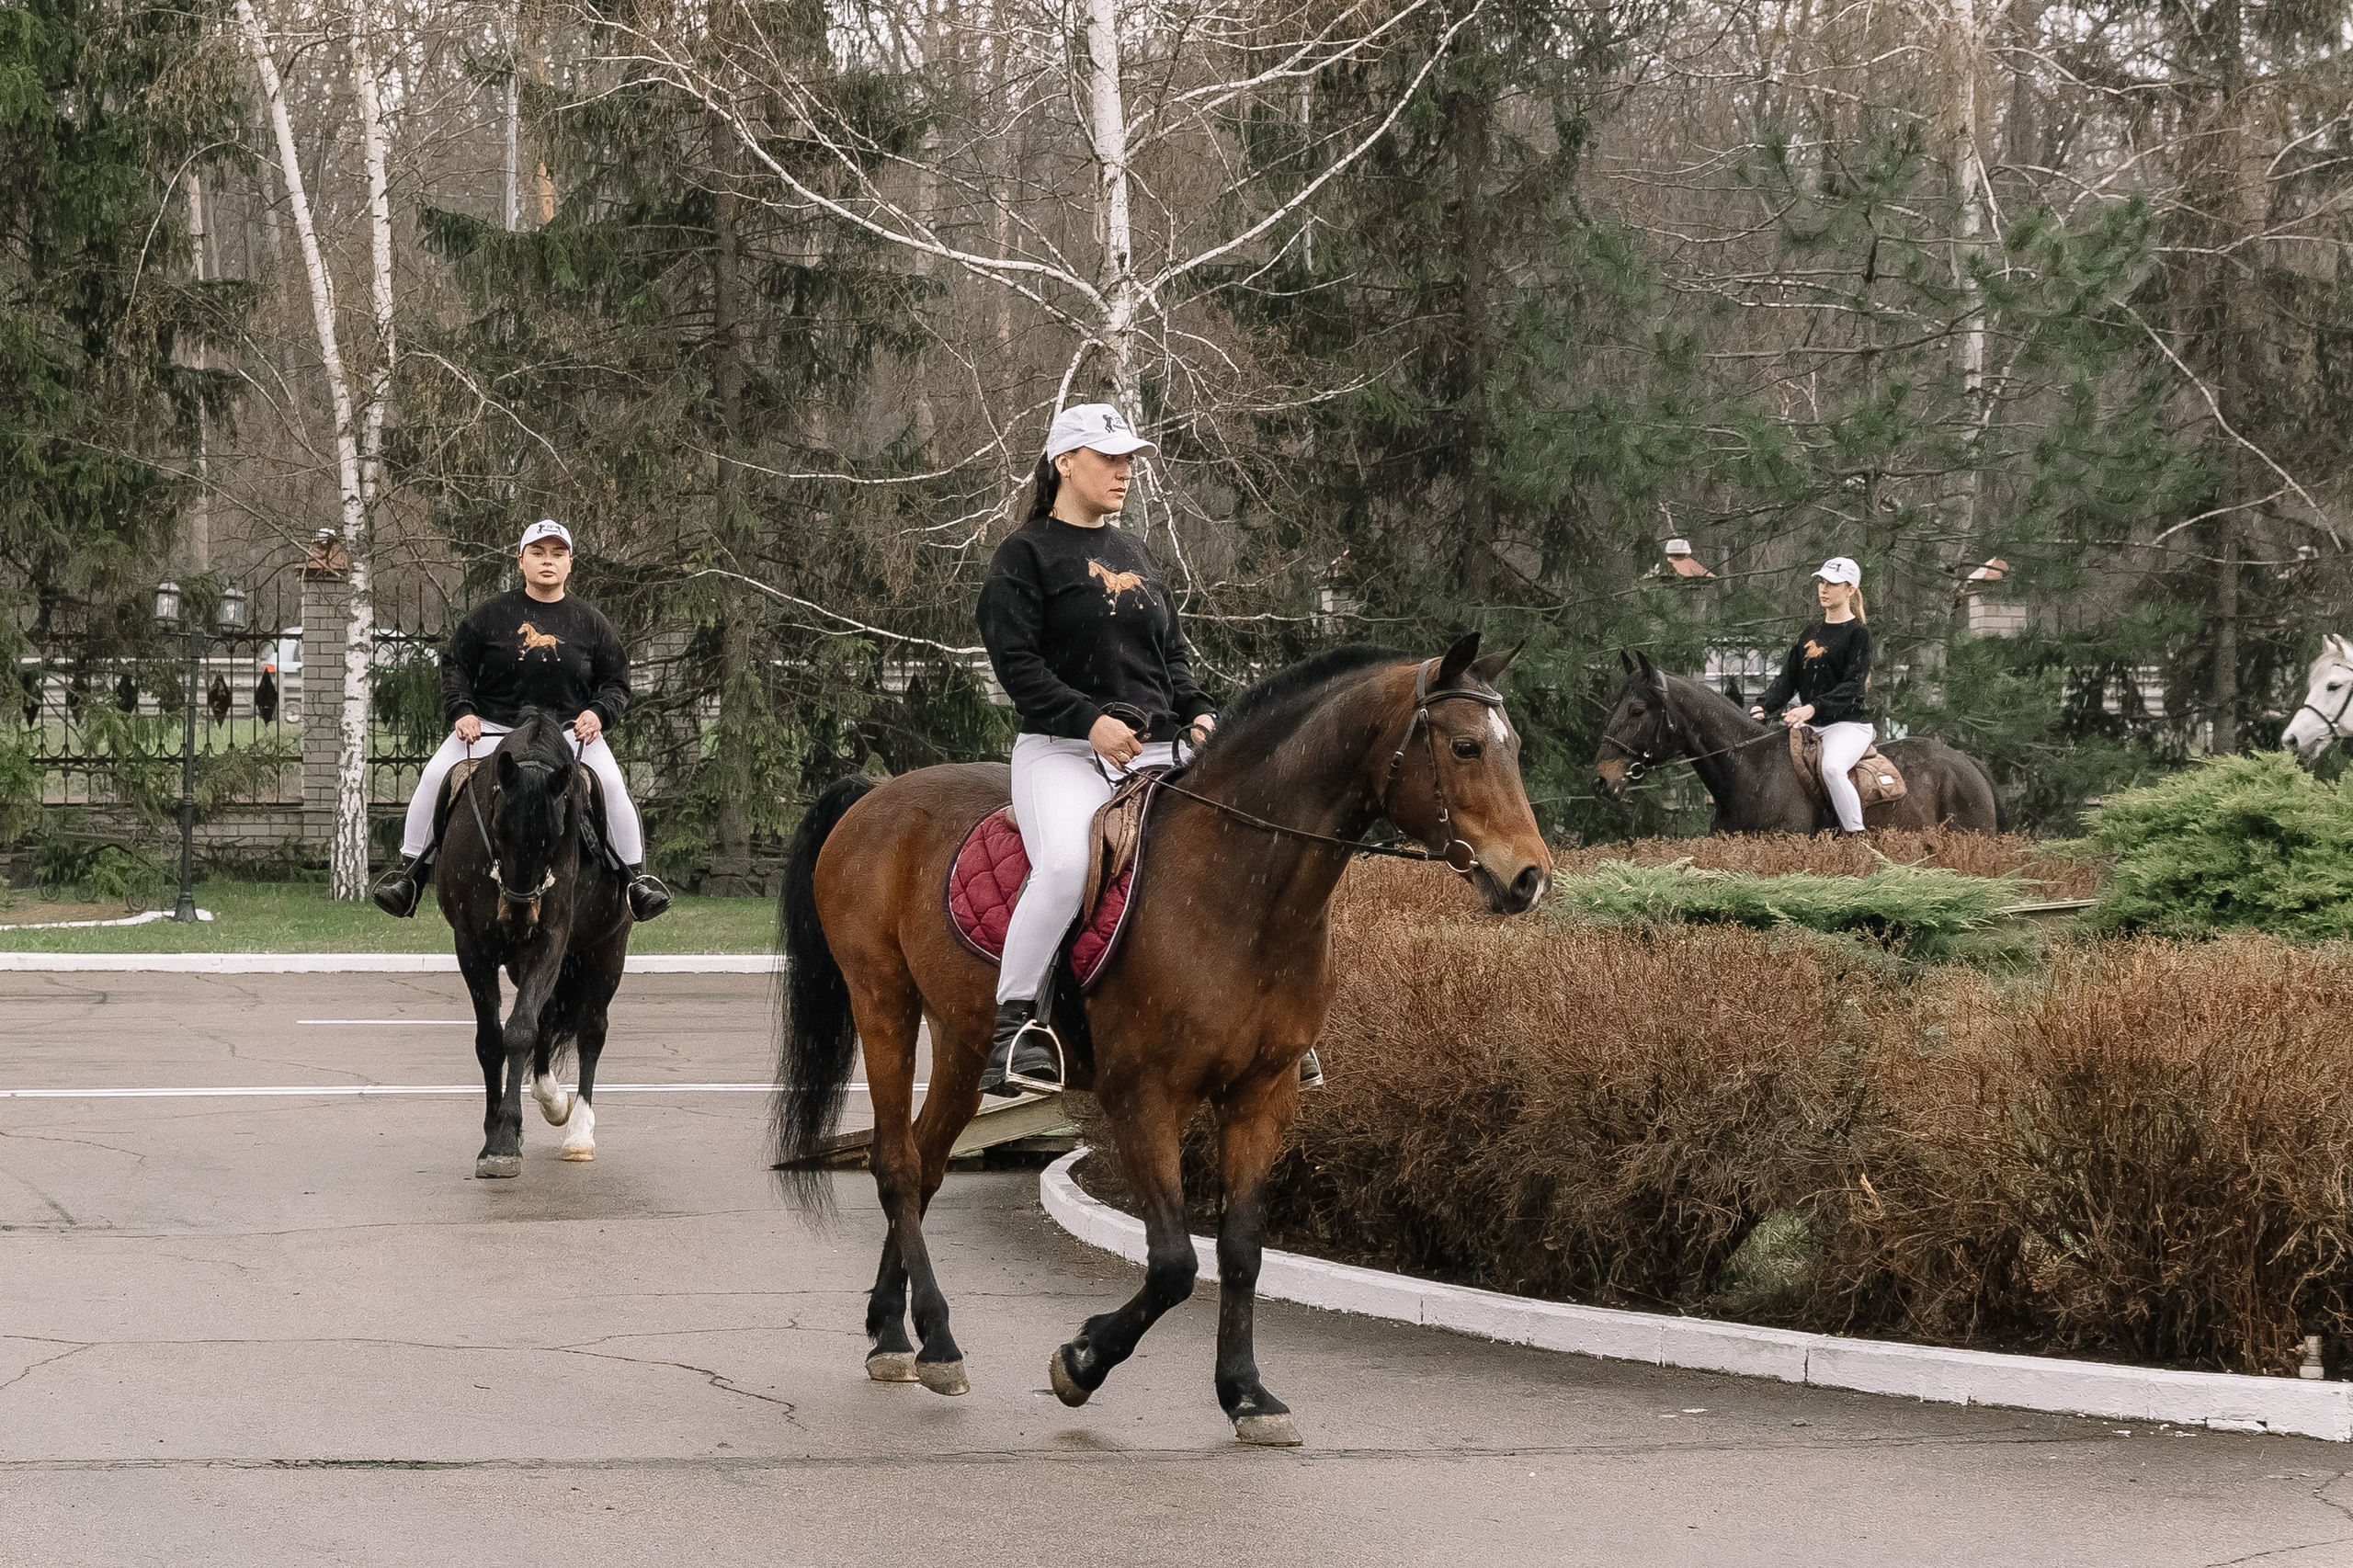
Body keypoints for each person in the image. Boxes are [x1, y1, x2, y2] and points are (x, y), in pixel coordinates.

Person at [974, 403, 1322, 1096]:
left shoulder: (1135, 554)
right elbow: (1016, 664)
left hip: (1158, 752)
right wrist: (1087, 720)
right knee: (1071, 863)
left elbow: (1173, 661)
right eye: (1109, 457)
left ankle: (1270, 1020)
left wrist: (1198, 715)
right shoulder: (1026, 555)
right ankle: (1014, 1026)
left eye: (1130, 459)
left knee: (1238, 854)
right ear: (1064, 462)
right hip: (1061, 753)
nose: (1125, 470)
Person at [372, 519, 671, 921]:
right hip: (492, 730)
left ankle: (636, 883)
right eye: (538, 552)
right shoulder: (489, 615)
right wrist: (463, 711)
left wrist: (597, 713)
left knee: (613, 788)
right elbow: (455, 667)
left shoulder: (591, 621)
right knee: (432, 776)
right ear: (521, 561)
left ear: (569, 564)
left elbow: (615, 681)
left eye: (557, 554)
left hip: (568, 735)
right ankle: (408, 877)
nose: (547, 561)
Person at [1751, 555, 1874, 835]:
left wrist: (1811, 709)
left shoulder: (1859, 634)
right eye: (1821, 582)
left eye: (1832, 583)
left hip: (1847, 725)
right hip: (1810, 726)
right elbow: (1788, 679)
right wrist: (1762, 705)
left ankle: (1857, 837)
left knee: (1832, 769)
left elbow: (1852, 687)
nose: (1823, 588)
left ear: (1850, 589)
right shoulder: (1810, 631)